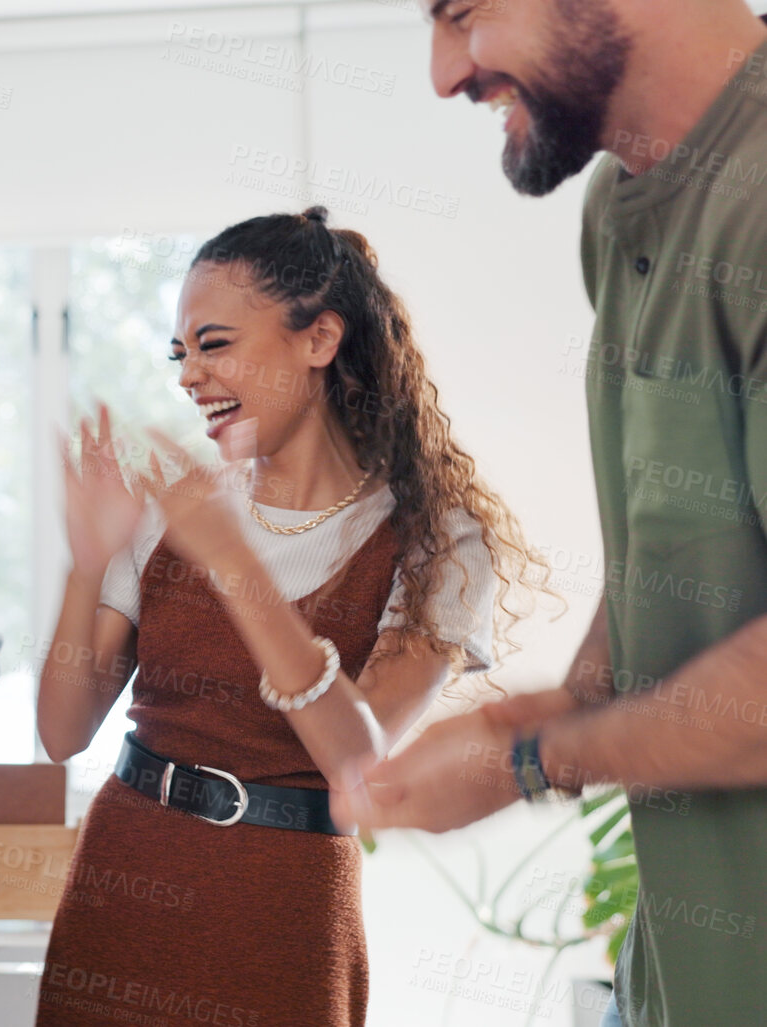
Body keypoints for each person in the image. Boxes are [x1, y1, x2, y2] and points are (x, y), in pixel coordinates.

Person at [343, 4, 767, 1024]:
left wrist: (537, 761)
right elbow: (674, 541)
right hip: (680, 972)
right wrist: (564, 707)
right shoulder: (620, 209)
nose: (446, 74)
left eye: (463, 12)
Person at [36, 208, 539, 1025]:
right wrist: (86, 555)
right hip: (125, 878)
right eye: (180, 352)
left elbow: (357, 764)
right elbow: (61, 731)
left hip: (286, 906)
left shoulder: (438, 538)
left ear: (318, 339)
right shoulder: (175, 507)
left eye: (215, 342)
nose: (188, 374)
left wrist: (231, 563)